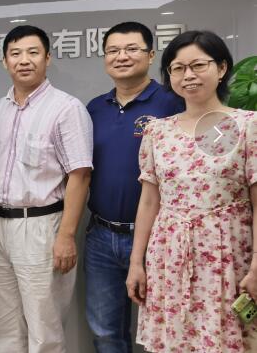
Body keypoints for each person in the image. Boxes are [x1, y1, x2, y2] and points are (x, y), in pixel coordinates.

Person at [126, 30, 257, 352]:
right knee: (175, 339)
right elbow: (149, 202)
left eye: (198, 65)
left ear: (222, 68)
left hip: (227, 254)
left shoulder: (248, 125)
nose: (189, 75)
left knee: (226, 340)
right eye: (178, 68)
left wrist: (256, 265)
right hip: (169, 254)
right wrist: (136, 263)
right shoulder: (158, 131)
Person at [0, 25, 93, 353]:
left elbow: (80, 176)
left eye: (33, 52)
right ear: (5, 61)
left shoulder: (66, 108)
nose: (24, 60)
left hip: (42, 226)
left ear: (48, 58)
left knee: (44, 329)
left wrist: (66, 236)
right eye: (15, 54)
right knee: (3, 326)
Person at [83, 22, 182, 353]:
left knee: (164, 328)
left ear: (151, 55)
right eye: (113, 50)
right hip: (101, 236)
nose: (121, 56)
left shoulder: (173, 103)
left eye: (131, 49)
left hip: (159, 236)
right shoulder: (94, 108)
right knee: (105, 332)